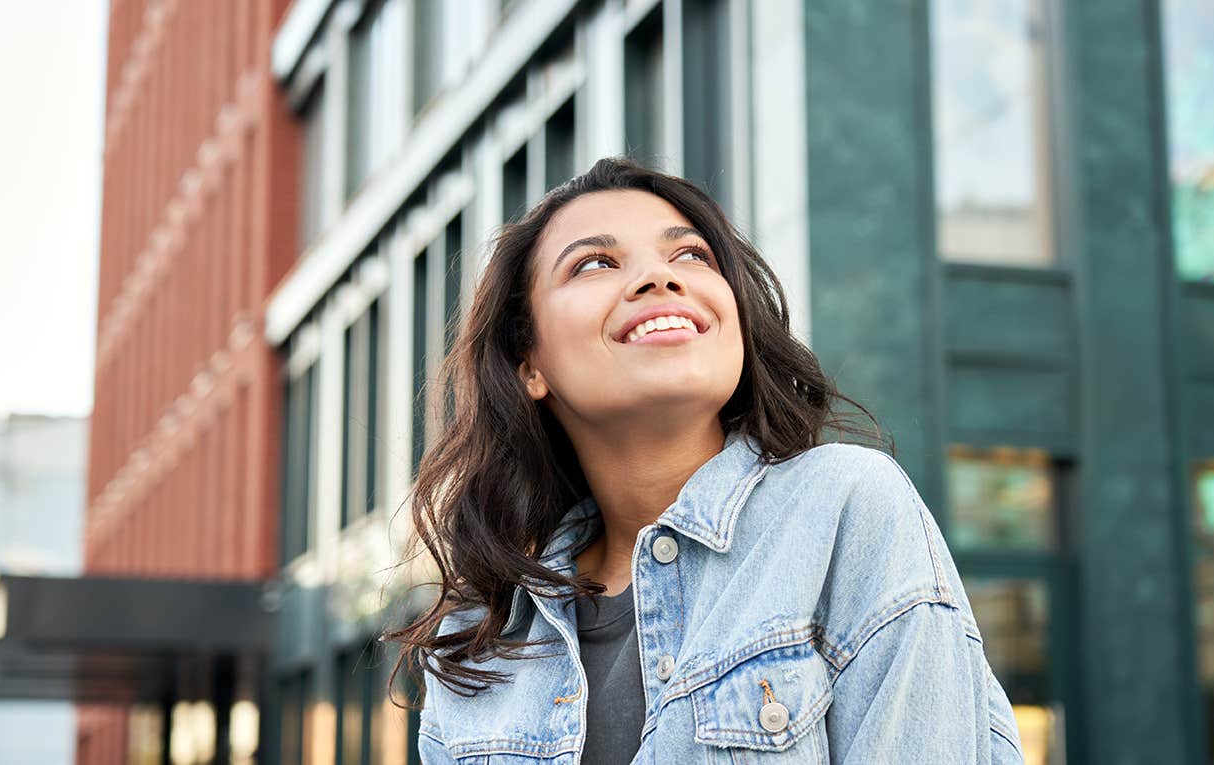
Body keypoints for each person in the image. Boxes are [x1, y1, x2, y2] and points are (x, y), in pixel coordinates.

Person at [385, 157, 1024, 763]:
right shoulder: (483, 636)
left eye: (690, 255)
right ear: (530, 363)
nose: (660, 278)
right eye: (594, 263)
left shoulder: (846, 507)